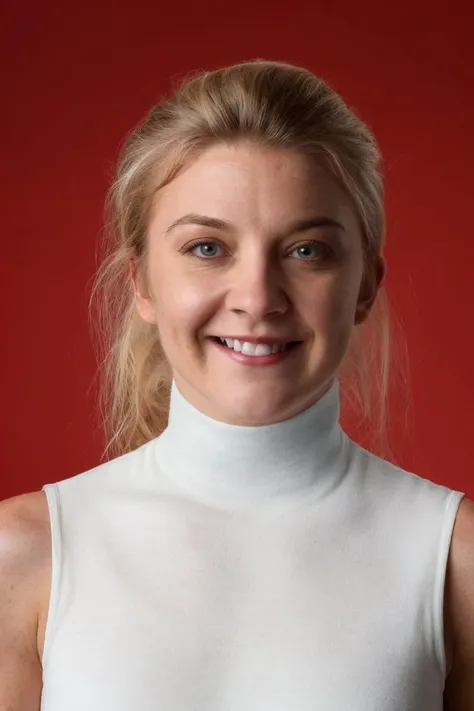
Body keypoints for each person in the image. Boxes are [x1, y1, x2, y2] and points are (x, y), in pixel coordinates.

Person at [0, 60, 473, 711]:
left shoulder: (458, 562)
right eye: (207, 248)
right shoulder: (22, 556)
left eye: (306, 249)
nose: (256, 297)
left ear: (364, 284)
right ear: (142, 282)